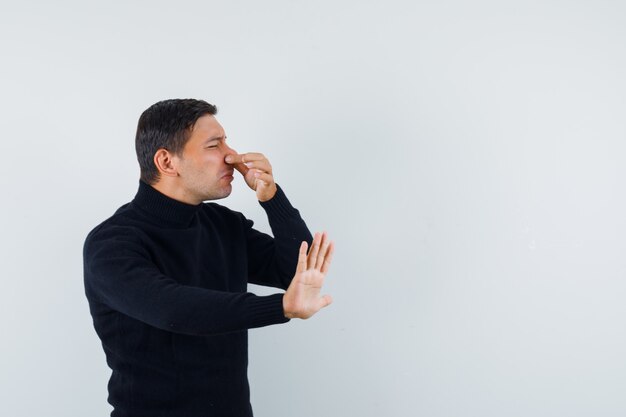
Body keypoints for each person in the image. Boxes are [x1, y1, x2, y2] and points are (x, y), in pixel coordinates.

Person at [82, 98, 334, 417]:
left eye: (226, 141)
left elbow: (295, 271)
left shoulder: (222, 224)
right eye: (214, 145)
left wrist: (272, 198)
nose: (231, 155)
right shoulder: (111, 243)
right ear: (166, 162)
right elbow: (174, 309)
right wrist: (281, 307)